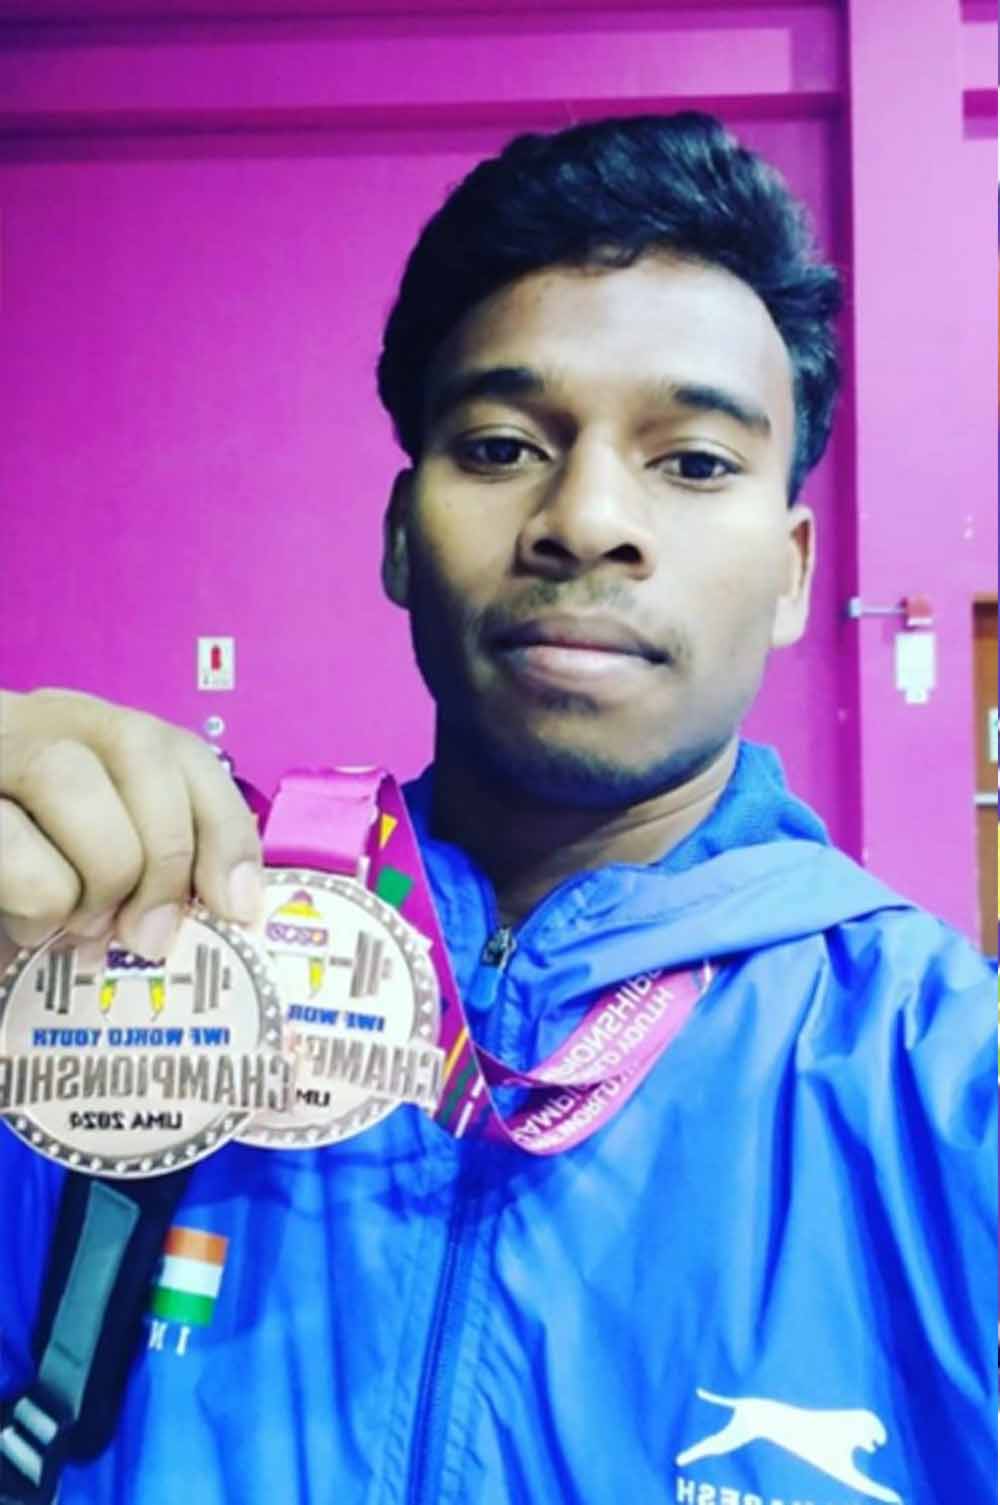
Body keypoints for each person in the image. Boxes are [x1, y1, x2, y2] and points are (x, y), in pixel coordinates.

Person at [0, 113, 993, 1505]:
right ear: (401, 537)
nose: (586, 518)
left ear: (790, 571)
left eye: (694, 462)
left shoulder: (944, 1076)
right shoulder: (130, 962)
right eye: (503, 443)